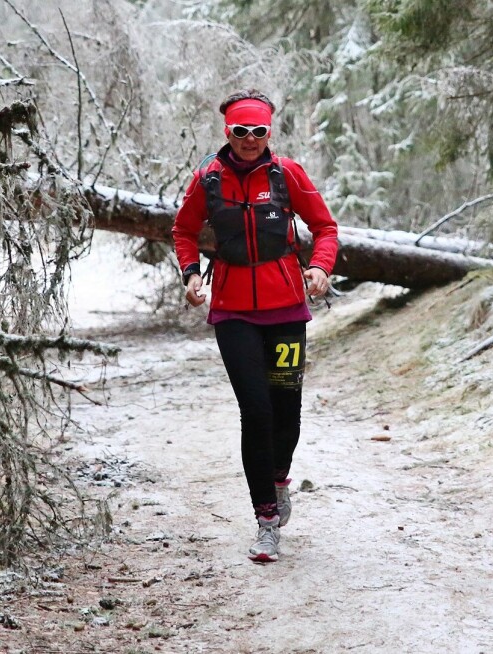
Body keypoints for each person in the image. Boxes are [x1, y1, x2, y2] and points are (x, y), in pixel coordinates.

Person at [171, 89, 339, 563]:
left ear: (270, 133)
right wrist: (189, 275)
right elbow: (183, 230)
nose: (249, 139)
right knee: (256, 410)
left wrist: (321, 268)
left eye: (258, 131)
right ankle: (266, 520)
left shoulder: (287, 175)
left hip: (286, 309)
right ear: (227, 133)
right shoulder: (208, 178)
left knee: (286, 408)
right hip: (233, 312)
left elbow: (325, 227)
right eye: (240, 131)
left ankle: (280, 479)